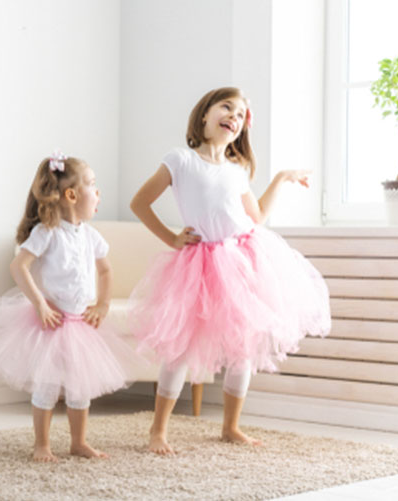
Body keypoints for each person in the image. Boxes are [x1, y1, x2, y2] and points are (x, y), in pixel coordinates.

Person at [129, 87, 331, 455]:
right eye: (227, 108)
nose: (234, 117)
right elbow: (139, 202)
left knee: (244, 346)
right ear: (204, 115)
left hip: (244, 259)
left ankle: (231, 426)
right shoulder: (181, 161)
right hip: (200, 264)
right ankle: (158, 430)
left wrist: (281, 178)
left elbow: (256, 217)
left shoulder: (236, 171)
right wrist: (171, 239)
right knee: (179, 350)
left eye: (240, 115)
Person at [0, 151, 135, 462]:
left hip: (81, 324)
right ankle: (41, 444)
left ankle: (78, 442)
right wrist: (40, 304)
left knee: (80, 390)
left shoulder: (91, 235)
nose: (98, 192)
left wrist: (103, 304)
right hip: (52, 323)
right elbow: (19, 267)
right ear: (71, 194)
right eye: (92, 185)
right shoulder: (47, 233)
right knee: (47, 387)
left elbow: (106, 270)